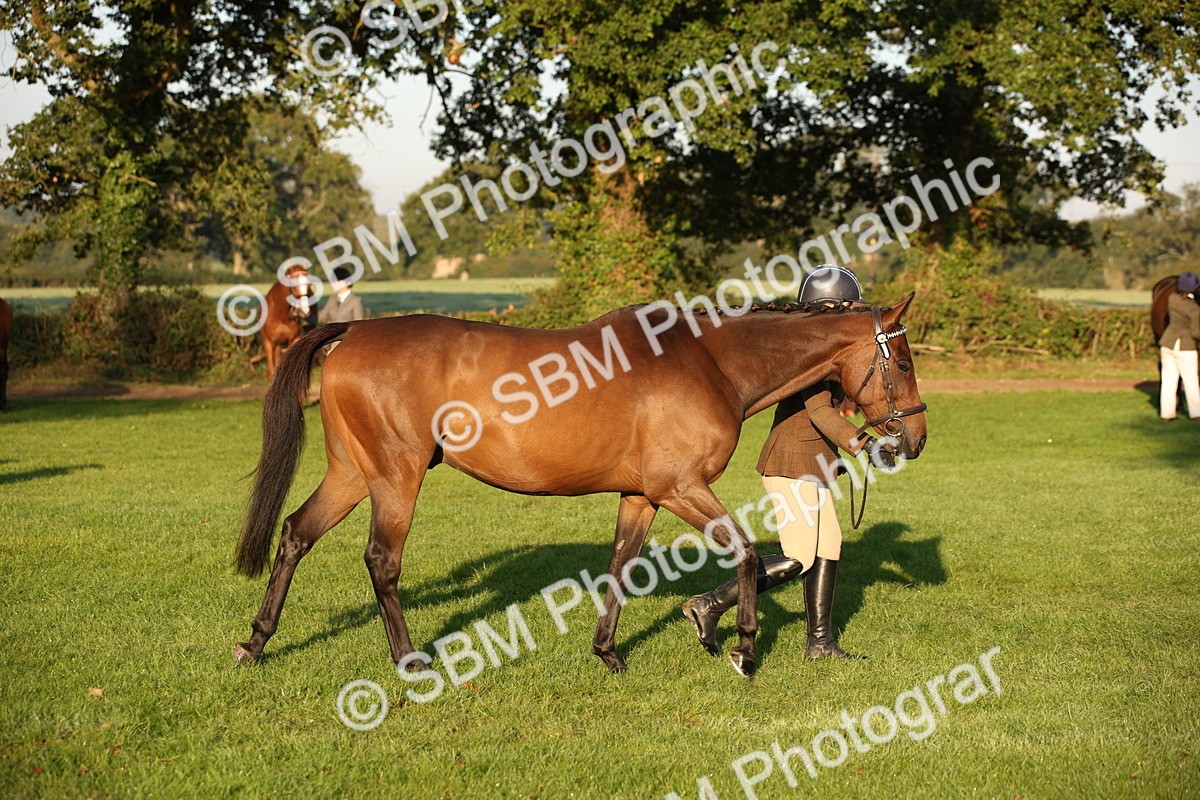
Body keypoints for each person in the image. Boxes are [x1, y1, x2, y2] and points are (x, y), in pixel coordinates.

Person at [683, 265, 893, 661]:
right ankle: (708, 604)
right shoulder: (807, 352)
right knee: (799, 556)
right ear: (829, 307)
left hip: (811, 464)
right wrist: (864, 445)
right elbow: (820, 412)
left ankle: (820, 644)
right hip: (790, 464)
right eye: (849, 307)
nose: (854, 313)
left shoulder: (825, 349)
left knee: (829, 546)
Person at [1159, 271, 1200, 421]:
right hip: (1186, 347)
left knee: (1169, 379)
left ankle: (1167, 414)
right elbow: (1195, 333)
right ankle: (1196, 413)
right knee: (1191, 380)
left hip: (1168, 343)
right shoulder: (1194, 309)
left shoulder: (1172, 299)